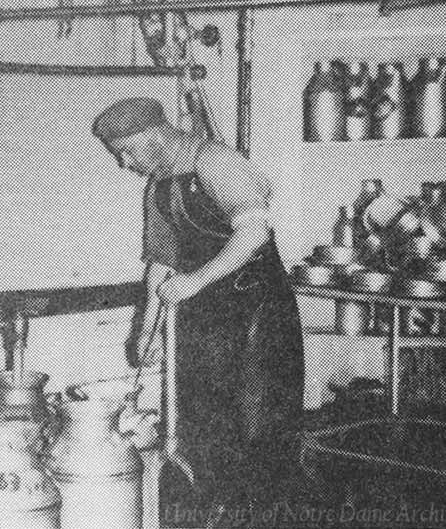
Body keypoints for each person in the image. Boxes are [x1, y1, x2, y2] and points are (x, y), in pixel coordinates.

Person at [92, 97, 305, 526]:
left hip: (258, 316)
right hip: (208, 321)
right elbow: (161, 266)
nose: (125, 164)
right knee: (205, 428)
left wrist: (193, 282)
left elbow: (254, 231)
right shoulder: (159, 187)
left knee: (258, 432)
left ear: (153, 137)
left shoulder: (215, 161)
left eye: (127, 152)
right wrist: (147, 330)